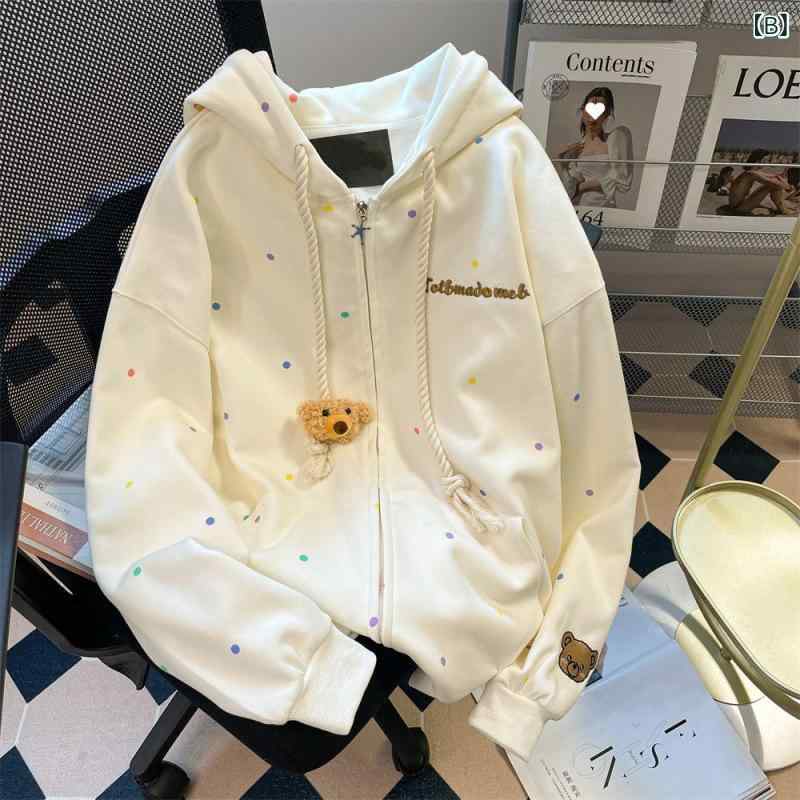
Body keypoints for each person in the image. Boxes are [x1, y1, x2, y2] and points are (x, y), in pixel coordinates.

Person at [554, 86, 633, 208]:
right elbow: (568, 193)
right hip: (578, 210)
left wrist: (583, 187)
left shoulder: (616, 137)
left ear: (606, 115)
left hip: (603, 210)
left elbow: (623, 181)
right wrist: (563, 165)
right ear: (583, 111)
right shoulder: (576, 149)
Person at [723, 149, 799, 216]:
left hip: (740, 204)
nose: (766, 163)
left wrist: (783, 174)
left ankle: (782, 208)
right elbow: (771, 182)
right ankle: (783, 210)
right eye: (764, 161)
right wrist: (788, 187)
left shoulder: (750, 172)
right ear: (758, 161)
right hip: (738, 208)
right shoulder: (751, 174)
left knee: (773, 184)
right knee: (772, 185)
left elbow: (773, 176)